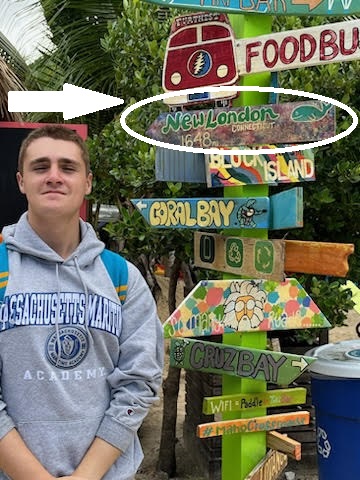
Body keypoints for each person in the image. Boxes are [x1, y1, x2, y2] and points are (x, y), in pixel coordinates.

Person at [0, 125, 164, 480]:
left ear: (87, 183)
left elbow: (139, 385)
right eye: (41, 167)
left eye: (68, 167)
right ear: (21, 181)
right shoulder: (1, 271)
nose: (54, 176)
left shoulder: (122, 278)